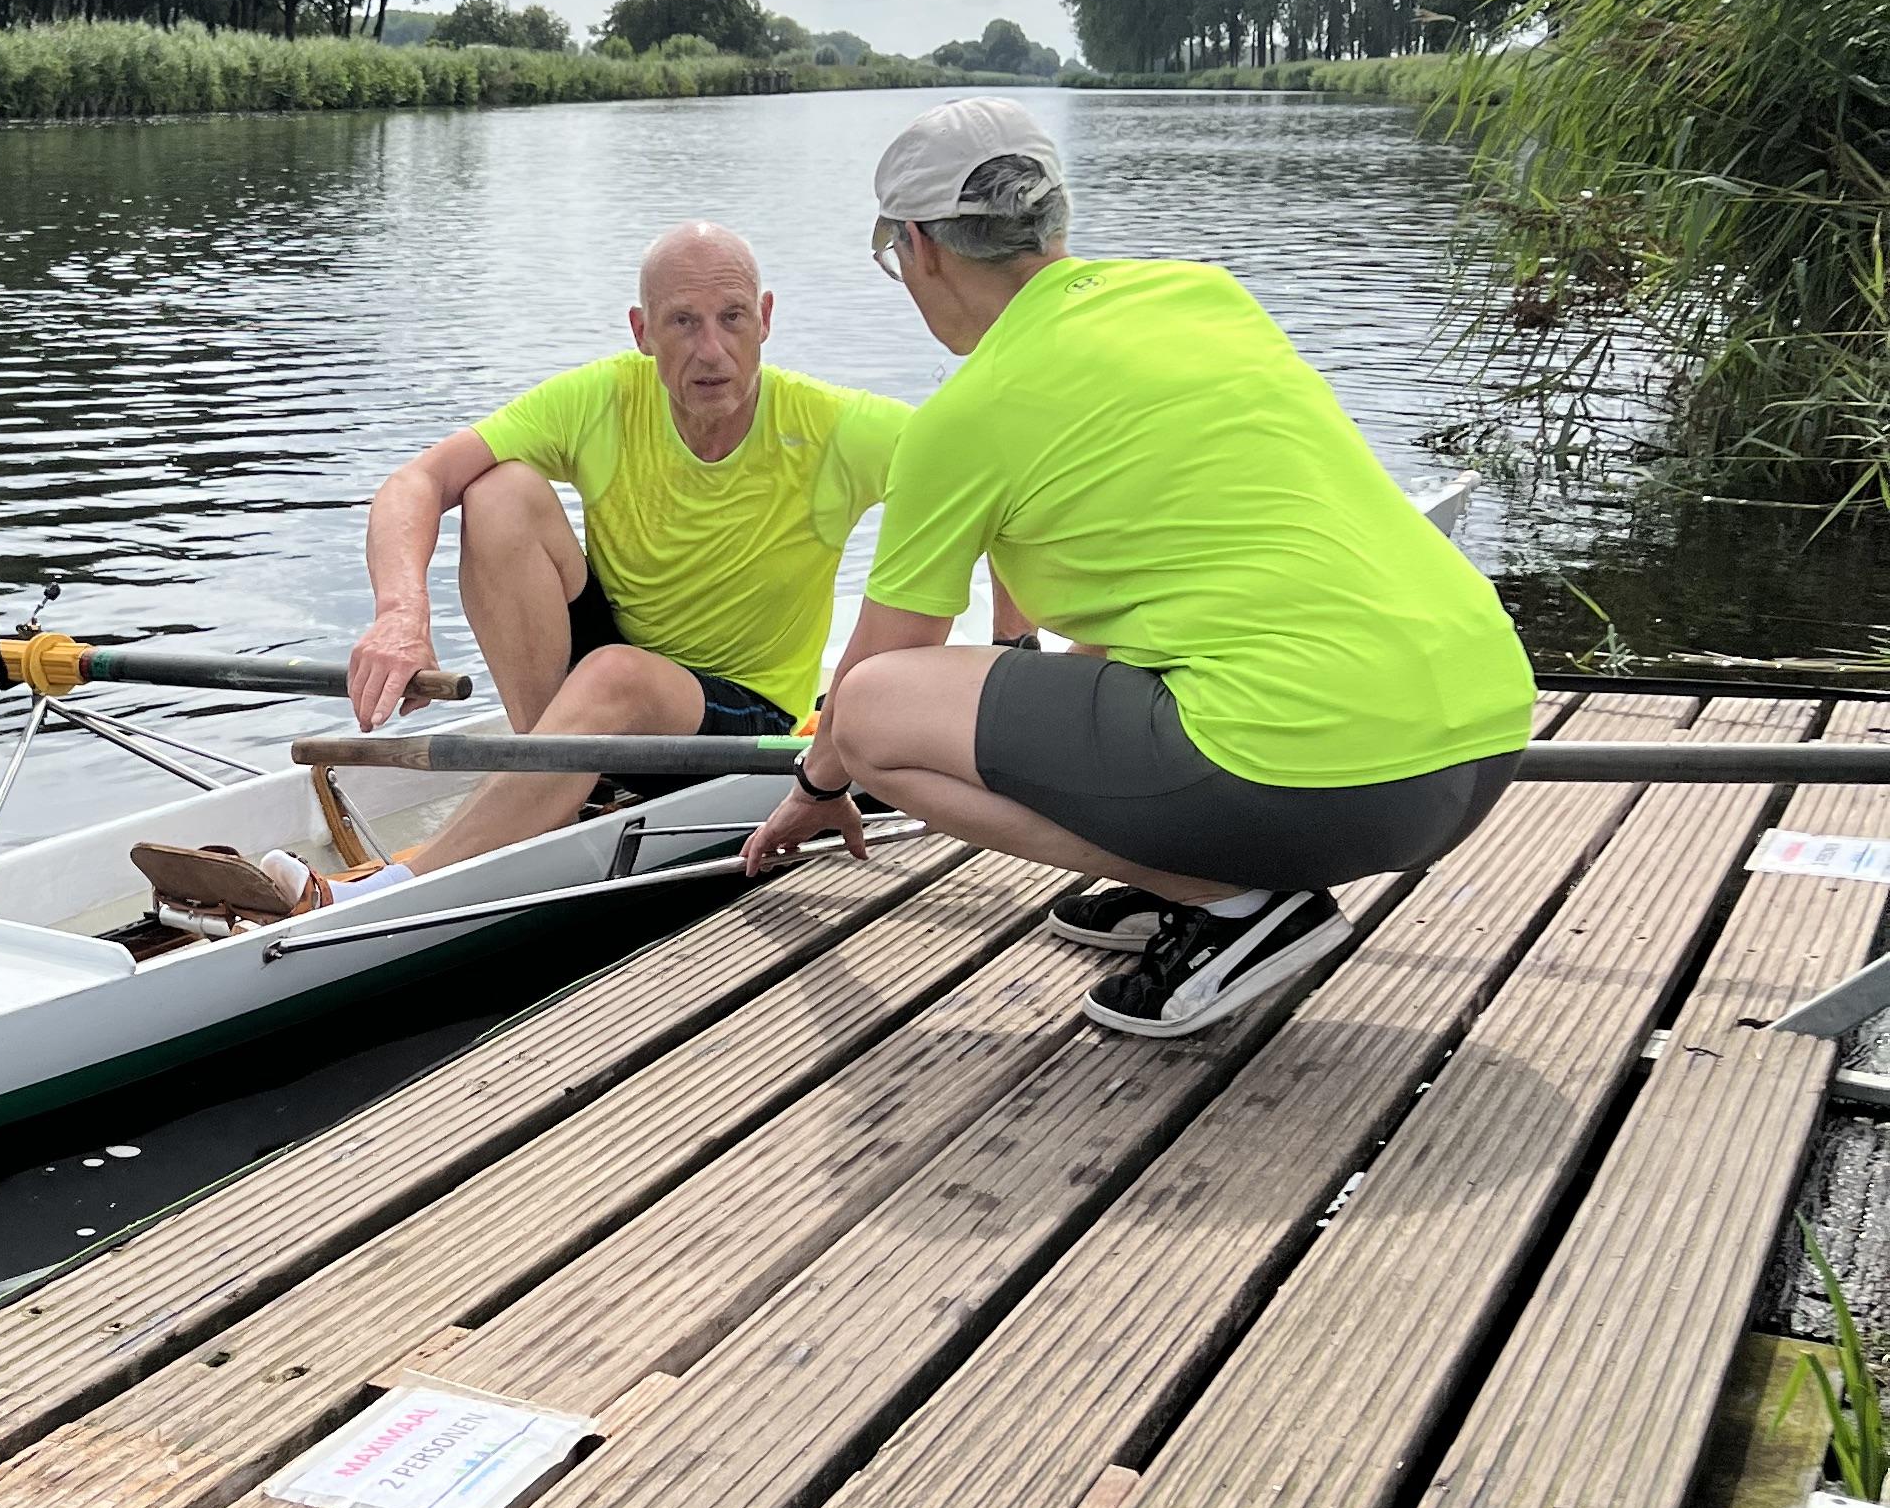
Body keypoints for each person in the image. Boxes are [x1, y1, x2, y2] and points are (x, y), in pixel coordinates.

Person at [740, 97, 1536, 1039]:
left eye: (893, 256)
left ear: (919, 245)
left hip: (1324, 779)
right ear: (1053, 220)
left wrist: (817, 789)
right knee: (1126, 641)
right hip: (1486, 733)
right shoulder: (1204, 298)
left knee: (873, 714)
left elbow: (878, 665)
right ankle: (1189, 871)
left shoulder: (969, 414)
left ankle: (1232, 900)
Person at [131, 220, 907, 925]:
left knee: (617, 676)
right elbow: (416, 481)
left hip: (752, 730)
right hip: (615, 688)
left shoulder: (834, 427)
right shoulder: (602, 400)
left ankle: (380, 893)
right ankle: (558, 783)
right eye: (683, 322)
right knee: (497, 492)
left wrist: (969, 648)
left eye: (732, 318)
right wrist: (401, 616)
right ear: (642, 332)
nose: (712, 350)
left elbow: (973, 469)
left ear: (765, 319)